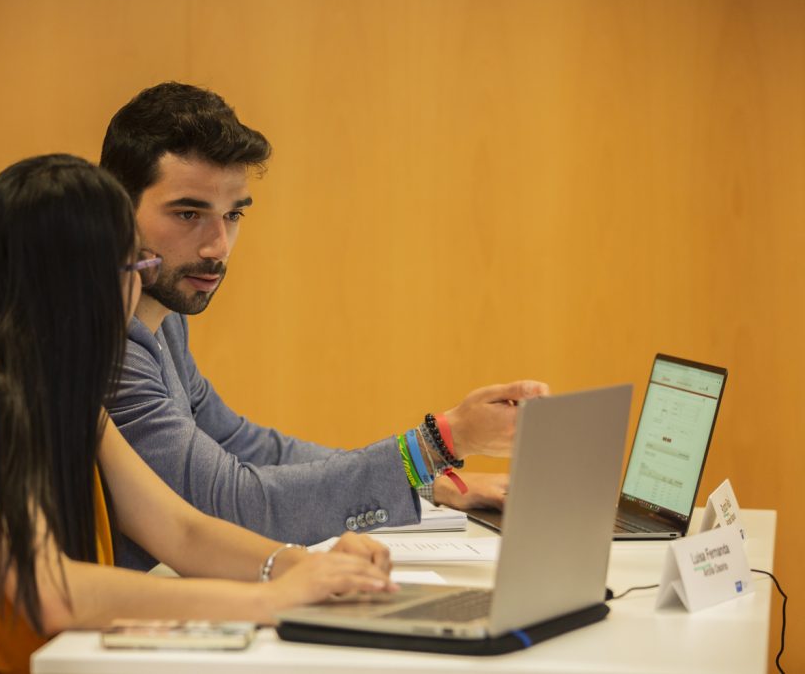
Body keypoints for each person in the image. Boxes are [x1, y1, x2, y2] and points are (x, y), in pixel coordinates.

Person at [0, 154, 393, 673]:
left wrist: (297, 564)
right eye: (133, 264)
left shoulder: (59, 388)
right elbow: (51, 591)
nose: (138, 284)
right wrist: (268, 601)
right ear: (69, 279)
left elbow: (179, 531)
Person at [100, 83, 549, 570]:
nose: (218, 247)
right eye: (189, 213)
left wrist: (426, 477)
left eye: (232, 215)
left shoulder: (161, 320)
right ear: (114, 209)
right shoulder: (105, 343)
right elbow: (230, 507)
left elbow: (244, 445)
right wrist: (438, 442)